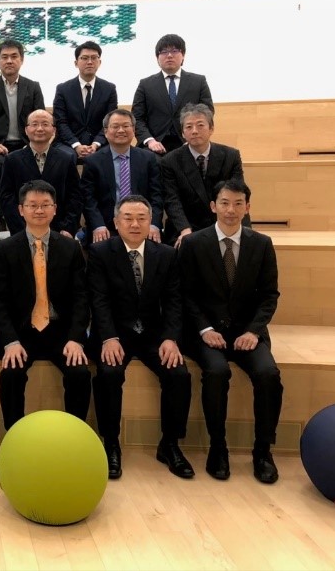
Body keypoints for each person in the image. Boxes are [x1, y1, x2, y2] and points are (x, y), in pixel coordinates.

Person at [179, 180, 283, 485]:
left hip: (247, 333)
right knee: (216, 372)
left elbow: (269, 295)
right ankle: (218, 448)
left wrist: (254, 331)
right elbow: (185, 295)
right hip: (206, 332)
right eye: (224, 203)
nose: (231, 210)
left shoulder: (261, 244)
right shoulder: (194, 243)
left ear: (247, 208)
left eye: (238, 203)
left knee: (269, 375)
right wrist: (204, 328)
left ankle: (263, 451)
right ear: (213, 206)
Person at [87, 195, 193, 480]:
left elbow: (174, 301)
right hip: (114, 333)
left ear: (150, 222)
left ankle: (170, 444)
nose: (135, 224)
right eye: (128, 218)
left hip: (153, 335)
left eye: (142, 218)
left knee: (179, 374)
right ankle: (110, 443)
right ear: (116, 222)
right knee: (108, 374)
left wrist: (170, 338)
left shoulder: (166, 254)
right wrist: (108, 337)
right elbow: (98, 300)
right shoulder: (99, 253)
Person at [0, 180, 91, 430]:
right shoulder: (5, 249)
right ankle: (14, 435)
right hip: (22, 331)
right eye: (32, 205)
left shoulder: (70, 247)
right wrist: (10, 341)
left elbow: (81, 298)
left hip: (60, 331)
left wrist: (76, 339)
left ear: (55, 209)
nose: (39, 210)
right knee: (11, 373)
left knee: (80, 372)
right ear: (20, 210)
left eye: (45, 205)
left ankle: (76, 435)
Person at [0, 39, 46, 234]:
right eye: (4, 57)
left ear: (21, 60)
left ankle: (31, 214)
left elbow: (40, 120)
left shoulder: (33, 87)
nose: (9, 61)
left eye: (14, 56)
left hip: (26, 144)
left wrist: (33, 143)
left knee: (32, 161)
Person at [162, 103, 247, 246]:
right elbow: (172, 200)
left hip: (223, 220)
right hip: (187, 224)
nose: (194, 131)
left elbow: (237, 192)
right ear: (182, 133)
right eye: (189, 127)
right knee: (182, 246)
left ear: (211, 128)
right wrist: (185, 230)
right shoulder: (170, 161)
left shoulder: (231, 156)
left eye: (200, 125)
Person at [81, 109, 163, 244]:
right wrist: (98, 225)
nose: (121, 130)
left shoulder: (148, 159)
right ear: (106, 131)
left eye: (126, 126)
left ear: (134, 130)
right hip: (106, 226)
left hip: (141, 224)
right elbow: (88, 199)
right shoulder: (93, 161)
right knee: (101, 248)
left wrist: (153, 224)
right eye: (115, 126)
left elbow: (157, 196)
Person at [0, 109, 82, 237]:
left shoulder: (66, 159)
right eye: (34, 124)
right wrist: (21, 231)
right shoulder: (12, 159)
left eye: (45, 124)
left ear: (54, 130)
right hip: (23, 231)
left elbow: (75, 196)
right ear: (26, 130)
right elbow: (7, 198)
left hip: (59, 231)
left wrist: (68, 228)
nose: (39, 129)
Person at [132, 34, 214, 155]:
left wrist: (192, 138)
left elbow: (208, 112)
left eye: (175, 51)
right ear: (157, 57)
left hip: (188, 142)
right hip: (154, 144)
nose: (169, 55)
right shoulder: (145, 84)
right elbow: (137, 117)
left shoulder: (198, 81)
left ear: (183, 55)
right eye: (164, 52)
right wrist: (149, 141)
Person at [52, 40, 118, 159]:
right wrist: (76, 145)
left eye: (94, 58)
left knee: (106, 154)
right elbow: (61, 122)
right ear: (76, 63)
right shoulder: (63, 89)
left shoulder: (109, 89)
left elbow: (110, 122)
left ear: (99, 62)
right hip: (69, 143)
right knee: (66, 156)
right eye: (85, 58)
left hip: (100, 142)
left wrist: (96, 144)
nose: (90, 62)